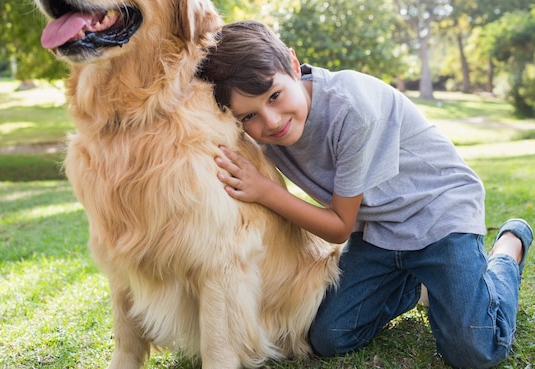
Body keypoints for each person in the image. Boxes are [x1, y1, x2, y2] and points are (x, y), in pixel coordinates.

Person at [196, 20, 532, 369]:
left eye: (275, 96)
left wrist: (264, 191)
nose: (271, 121)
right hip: (380, 231)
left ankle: (509, 247)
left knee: (475, 349)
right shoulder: (268, 134)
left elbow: (340, 226)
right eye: (249, 115)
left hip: (439, 215)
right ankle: (414, 283)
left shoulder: (352, 109)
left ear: (294, 66)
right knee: (329, 336)